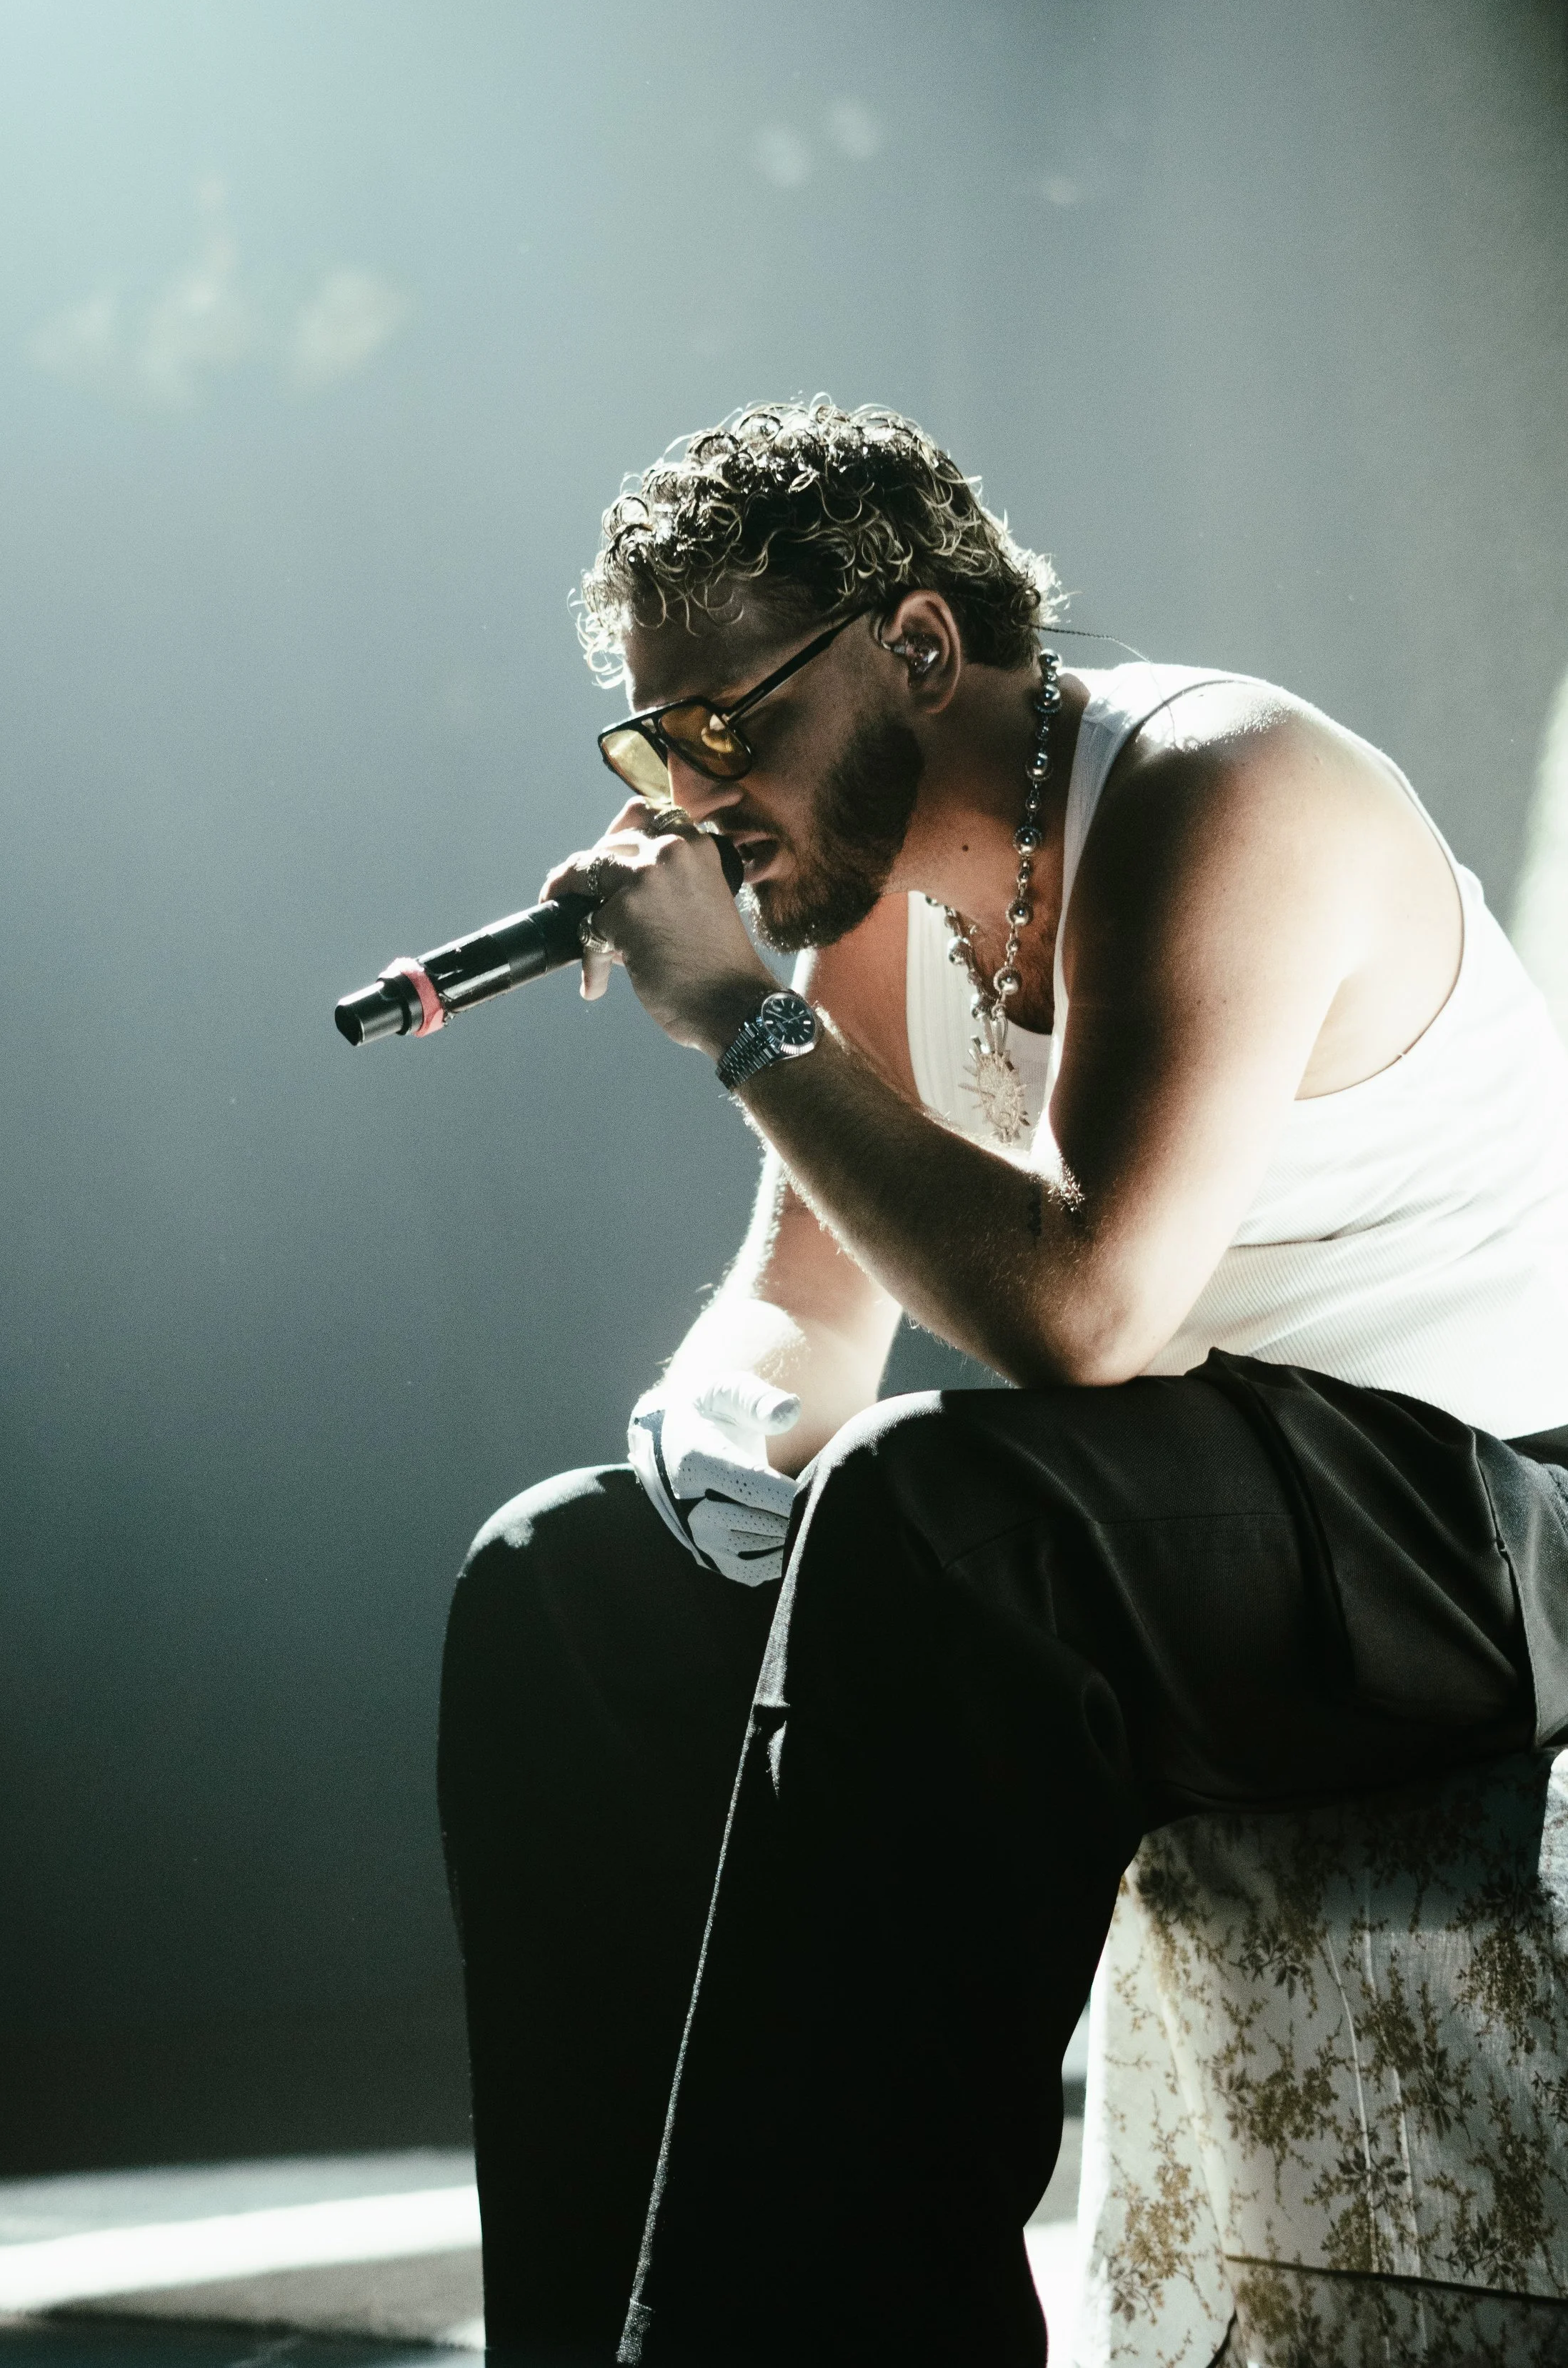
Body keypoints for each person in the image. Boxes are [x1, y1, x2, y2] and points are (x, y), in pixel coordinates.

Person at [436, 398, 1568, 2367]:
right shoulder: (870, 914)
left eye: (727, 725)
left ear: (920, 648)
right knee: (566, 1576)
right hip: (1195, 1526)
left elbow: (1085, 1313)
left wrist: (733, 1014)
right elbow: (807, 1296)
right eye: (653, 743)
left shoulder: (1219, 790)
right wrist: (710, 1438)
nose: (691, 798)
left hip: (1478, 1518)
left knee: (944, 1518)